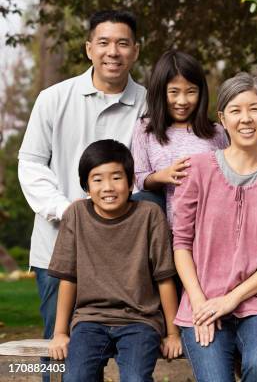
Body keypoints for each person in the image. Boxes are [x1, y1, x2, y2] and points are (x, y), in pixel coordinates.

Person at [17, 10, 146, 369]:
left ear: (136, 50)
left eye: (122, 43)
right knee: (59, 350)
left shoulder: (151, 106)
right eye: (103, 42)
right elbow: (30, 163)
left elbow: (151, 174)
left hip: (126, 258)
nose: (113, 51)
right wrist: (66, 210)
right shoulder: (53, 99)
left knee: (131, 352)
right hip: (59, 249)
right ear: (89, 48)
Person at [172, 73, 257, 382]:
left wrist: (232, 299)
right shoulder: (197, 169)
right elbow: (181, 244)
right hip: (202, 298)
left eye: (255, 109)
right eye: (236, 110)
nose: (246, 118)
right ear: (223, 118)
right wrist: (200, 303)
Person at [46, 140, 182, 381]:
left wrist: (172, 333)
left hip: (141, 321)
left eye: (116, 178)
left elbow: (164, 278)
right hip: (89, 320)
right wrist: (60, 332)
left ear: (131, 182)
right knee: (75, 377)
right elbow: (68, 277)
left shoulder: (149, 215)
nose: (108, 187)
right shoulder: (76, 215)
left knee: (135, 378)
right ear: (86, 186)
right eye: (97, 179)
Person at [131, 50, 227, 225]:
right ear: (160, 91)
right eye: (174, 92)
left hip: (207, 225)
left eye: (191, 91)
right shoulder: (145, 128)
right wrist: (163, 175)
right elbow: (139, 178)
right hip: (162, 226)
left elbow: (230, 174)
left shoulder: (215, 132)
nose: (182, 101)